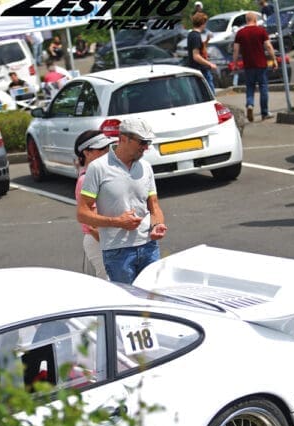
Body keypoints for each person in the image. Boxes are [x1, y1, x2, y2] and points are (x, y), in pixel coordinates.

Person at [76, 118, 168, 284]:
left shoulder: (146, 167)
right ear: (124, 139)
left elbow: (154, 206)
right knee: (128, 304)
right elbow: (83, 214)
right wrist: (117, 222)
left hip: (149, 246)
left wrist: (157, 225)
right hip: (118, 251)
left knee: (155, 299)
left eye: (148, 142)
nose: (146, 147)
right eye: (142, 142)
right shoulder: (98, 168)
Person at [74, 130, 116, 279]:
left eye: (108, 148)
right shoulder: (85, 180)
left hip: (108, 236)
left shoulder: (101, 173)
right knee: (110, 282)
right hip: (99, 239)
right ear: (86, 152)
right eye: (101, 149)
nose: (107, 152)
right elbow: (90, 222)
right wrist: (110, 243)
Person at [233, 11, 277, 122]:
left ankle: (250, 105)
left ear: (246, 20)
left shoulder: (240, 33)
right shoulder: (261, 31)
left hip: (248, 65)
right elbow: (268, 46)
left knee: (250, 87)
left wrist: (235, 63)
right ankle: (264, 112)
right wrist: (274, 59)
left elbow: (235, 49)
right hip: (261, 64)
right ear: (255, 20)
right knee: (263, 88)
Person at [187, 12, 218, 93]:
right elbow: (196, 56)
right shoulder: (196, 36)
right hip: (201, 69)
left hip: (198, 69)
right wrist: (209, 64)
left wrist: (207, 40)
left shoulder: (192, 34)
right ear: (202, 23)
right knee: (210, 93)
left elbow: (199, 48)